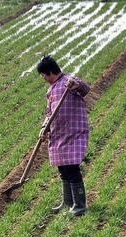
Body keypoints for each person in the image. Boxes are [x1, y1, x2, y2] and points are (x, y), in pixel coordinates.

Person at [36, 56, 91, 216]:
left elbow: (85, 89)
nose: (44, 79)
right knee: (63, 170)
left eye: (44, 76)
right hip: (59, 134)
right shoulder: (51, 90)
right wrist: (44, 127)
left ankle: (80, 206)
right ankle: (67, 202)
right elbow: (49, 113)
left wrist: (76, 85)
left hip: (73, 133)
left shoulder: (69, 81)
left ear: (50, 72)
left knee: (72, 169)